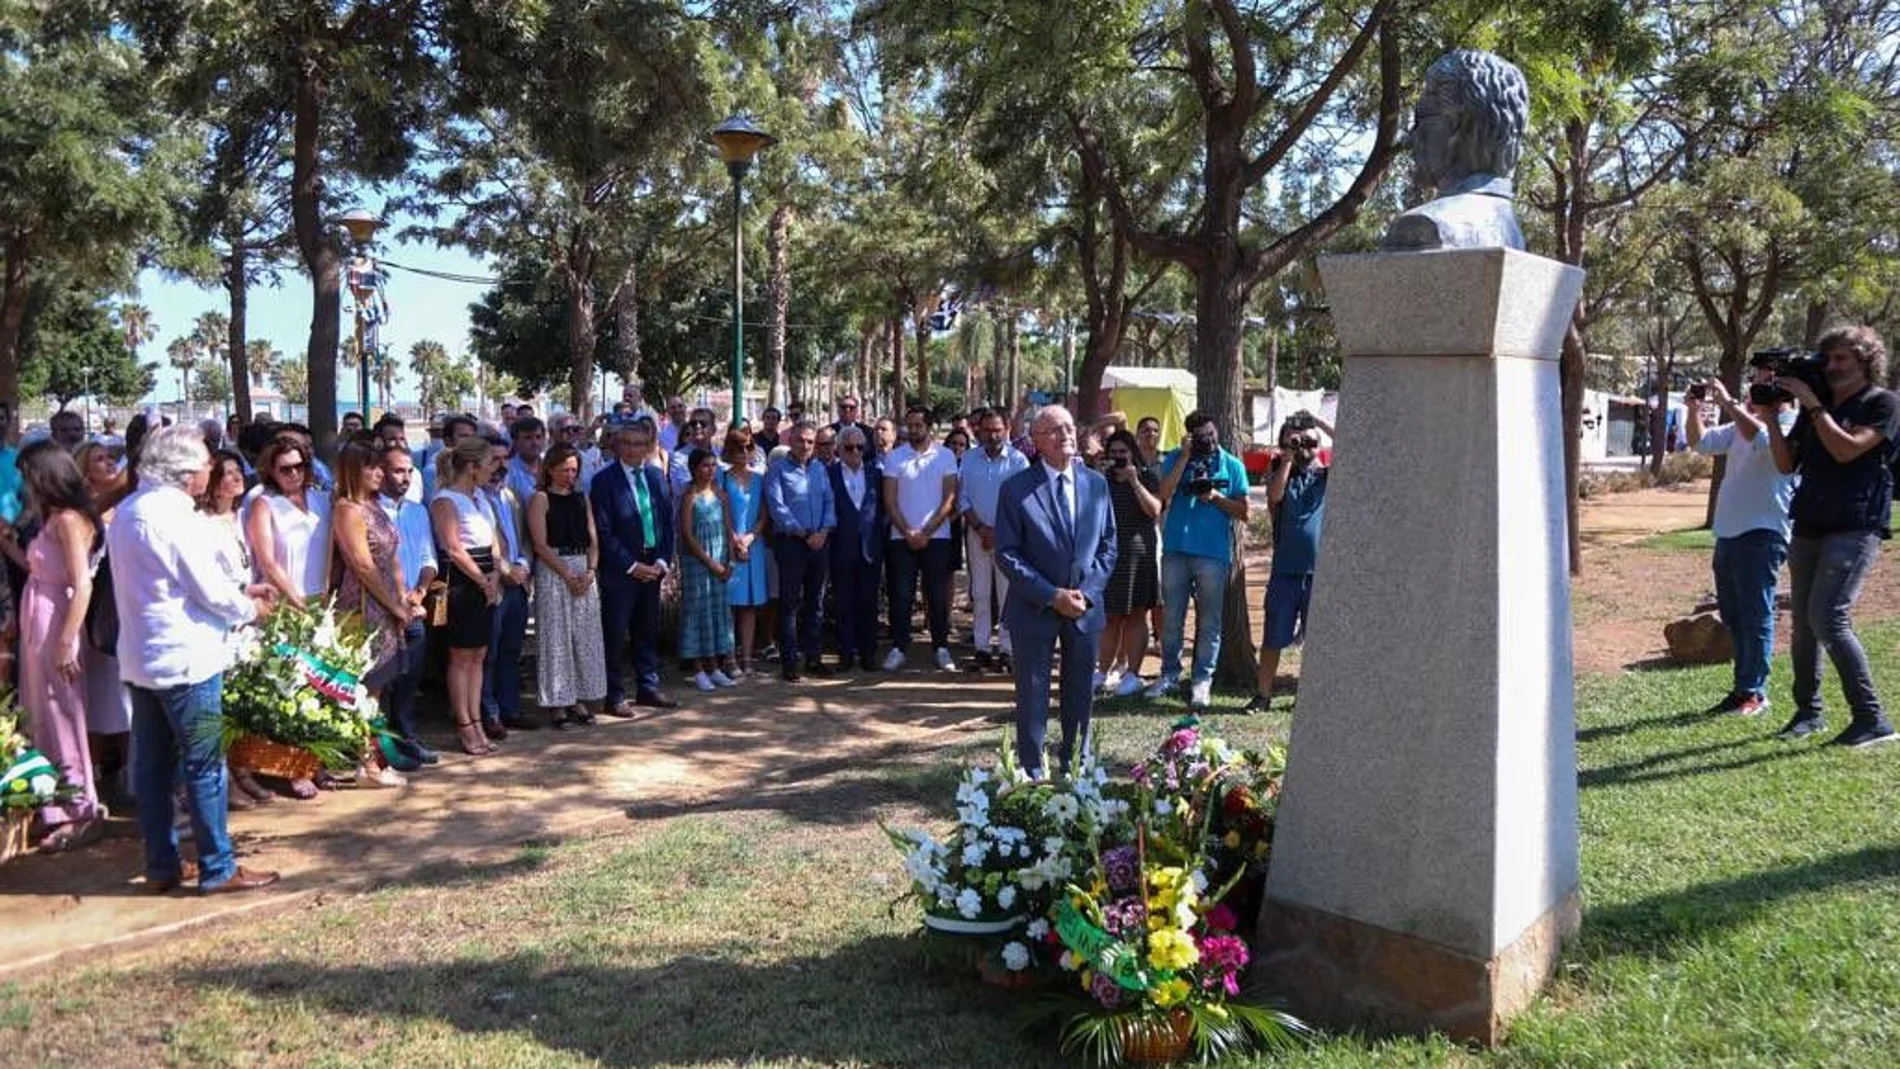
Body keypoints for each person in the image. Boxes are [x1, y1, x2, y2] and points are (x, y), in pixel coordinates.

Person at [108, 424, 279, 894]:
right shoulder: (174, 517)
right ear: (186, 473)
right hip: (186, 658)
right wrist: (249, 607)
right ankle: (217, 867)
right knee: (204, 766)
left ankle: (161, 865)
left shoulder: (129, 510)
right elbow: (205, 588)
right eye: (206, 463)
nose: (211, 469)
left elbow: (171, 583)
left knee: (154, 769)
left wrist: (239, 592)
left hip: (145, 657)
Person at [1765, 325, 1900, 747]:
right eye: (1829, 359)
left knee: (1828, 617)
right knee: (1804, 625)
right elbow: (1786, 466)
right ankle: (1809, 713)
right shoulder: (1812, 411)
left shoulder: (1882, 403)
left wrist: (1814, 405)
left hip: (1855, 525)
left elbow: (1847, 450)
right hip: (1809, 522)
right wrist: (1771, 417)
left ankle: (1872, 720)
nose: (1832, 366)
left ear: (1865, 362)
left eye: (1842, 358)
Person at [995, 405, 1116, 777]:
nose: (1065, 434)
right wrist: (1052, 596)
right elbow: (1007, 553)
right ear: (1036, 442)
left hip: (1084, 608)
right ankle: (1033, 771)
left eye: (1069, 427)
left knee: (1079, 692)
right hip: (1034, 608)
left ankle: (1076, 766)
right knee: (1032, 695)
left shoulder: (1096, 483)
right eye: (1054, 430)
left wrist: (1087, 593)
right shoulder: (1016, 488)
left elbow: (1109, 545)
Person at [1685, 366, 1798, 718]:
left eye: (1767, 381)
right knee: (1735, 616)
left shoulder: (1792, 422)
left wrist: (1730, 402)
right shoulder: (1740, 424)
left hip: (1763, 533)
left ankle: (1754, 693)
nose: (1758, 385)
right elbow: (1699, 443)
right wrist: (1693, 410)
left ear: (1784, 392)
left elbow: (1764, 440)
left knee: (1756, 614)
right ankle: (1742, 690)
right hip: (1729, 533)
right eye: (1757, 379)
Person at [11, 447, 105, 851]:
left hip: (57, 622)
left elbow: (81, 583)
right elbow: (38, 568)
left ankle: (79, 808)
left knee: (62, 713)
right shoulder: (50, 517)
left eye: (26, 476)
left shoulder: (69, 520)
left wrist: (67, 639)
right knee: (41, 714)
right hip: (38, 615)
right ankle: (52, 805)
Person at [1145, 411, 1250, 708]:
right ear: (1190, 436)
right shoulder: (1177, 457)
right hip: (1176, 549)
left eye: (1211, 434)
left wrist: (1215, 496)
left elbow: (1245, 512)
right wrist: (1184, 457)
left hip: (1213, 554)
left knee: (1210, 621)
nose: (1209, 441)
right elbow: (1163, 495)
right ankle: (1169, 674)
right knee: (1172, 619)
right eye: (1202, 436)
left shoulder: (1232, 465)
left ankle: (1202, 680)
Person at [1381, 49, 1529, 252]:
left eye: (1421, 121)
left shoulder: (1422, 226)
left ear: (1463, 126)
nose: (1409, 139)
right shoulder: (1512, 231)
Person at [330, 442, 413, 787]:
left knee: (380, 686)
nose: (380, 473)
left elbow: (393, 555)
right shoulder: (348, 509)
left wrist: (402, 597)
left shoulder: (375, 506)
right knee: (368, 686)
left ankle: (375, 757)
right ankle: (368, 763)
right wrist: (392, 604)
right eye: (372, 468)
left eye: (381, 467)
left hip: (389, 603)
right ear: (354, 470)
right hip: (365, 604)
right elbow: (362, 565)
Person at [1246, 413, 1335, 713]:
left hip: (1319, 574)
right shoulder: (1278, 472)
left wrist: (1319, 425)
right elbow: (1274, 497)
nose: (1304, 447)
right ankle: (1263, 695)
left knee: (1317, 642)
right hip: (1285, 571)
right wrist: (1286, 457)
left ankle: (1307, 697)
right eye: (1297, 441)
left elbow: (1354, 449)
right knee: (1273, 637)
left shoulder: (1326, 476)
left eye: (1311, 443)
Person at [594, 423, 678, 713]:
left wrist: (662, 561)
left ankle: (648, 687)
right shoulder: (604, 480)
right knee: (616, 633)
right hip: (622, 571)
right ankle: (614, 694)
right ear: (617, 446)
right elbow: (603, 532)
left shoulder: (656, 476)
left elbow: (668, 523)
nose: (633, 449)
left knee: (647, 630)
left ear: (648, 447)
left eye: (639, 443)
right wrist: (631, 566)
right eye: (627, 443)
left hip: (653, 567)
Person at [430, 436, 504, 756]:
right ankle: (464, 723)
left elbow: (495, 540)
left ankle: (477, 719)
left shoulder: (481, 499)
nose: (494, 470)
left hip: (486, 577)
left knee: (478, 655)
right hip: (461, 583)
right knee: (461, 656)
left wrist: (496, 574)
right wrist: (482, 581)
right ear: (472, 467)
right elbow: (453, 548)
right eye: (489, 464)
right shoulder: (445, 500)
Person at [526, 443, 607, 727]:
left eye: (573, 470)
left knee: (583, 636)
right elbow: (540, 543)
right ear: (549, 469)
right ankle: (558, 703)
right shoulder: (540, 499)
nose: (569, 475)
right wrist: (566, 574)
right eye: (563, 470)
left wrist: (590, 570)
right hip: (554, 571)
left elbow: (593, 538)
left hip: (583, 568)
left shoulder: (581, 499)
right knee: (556, 637)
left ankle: (579, 698)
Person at [374, 443, 440, 763]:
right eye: (397, 470)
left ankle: (406, 737)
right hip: (381, 608)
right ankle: (378, 745)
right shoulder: (369, 511)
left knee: (409, 678)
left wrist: (420, 592)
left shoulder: (417, 511)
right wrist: (394, 601)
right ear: (380, 471)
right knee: (380, 682)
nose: (404, 477)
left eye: (409, 471)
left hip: (414, 607)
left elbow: (429, 558)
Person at [881, 407, 960, 671]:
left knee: (937, 596)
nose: (913, 430)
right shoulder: (895, 457)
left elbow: (950, 498)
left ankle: (941, 646)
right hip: (900, 537)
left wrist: (926, 532)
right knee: (901, 595)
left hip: (936, 538)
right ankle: (899, 647)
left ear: (930, 427)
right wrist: (907, 532)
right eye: (910, 425)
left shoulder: (946, 456)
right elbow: (890, 500)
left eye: (918, 425)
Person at [957, 408, 1029, 672]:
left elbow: (1022, 501)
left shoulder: (1018, 460)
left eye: (997, 430)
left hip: (1008, 537)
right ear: (980, 431)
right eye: (987, 430)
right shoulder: (968, 459)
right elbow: (962, 497)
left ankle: (1008, 649)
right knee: (981, 593)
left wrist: (999, 532)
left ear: (1006, 430)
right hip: (977, 535)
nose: (993, 435)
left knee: (1008, 593)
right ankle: (982, 648)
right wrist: (980, 528)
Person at [765, 421, 836, 680]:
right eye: (800, 441)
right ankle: (790, 662)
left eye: (810, 441)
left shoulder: (820, 469)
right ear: (791, 441)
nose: (805, 446)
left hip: (820, 542)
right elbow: (777, 507)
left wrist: (824, 532)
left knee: (815, 603)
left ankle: (814, 659)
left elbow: (829, 502)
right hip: (792, 543)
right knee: (790, 603)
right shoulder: (778, 469)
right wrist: (803, 533)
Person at [1097, 429, 1162, 697]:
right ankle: (1103, 671)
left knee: (1137, 614)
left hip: (1139, 553)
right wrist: (1101, 474)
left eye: (1123, 453)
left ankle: (1133, 674)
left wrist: (1134, 481)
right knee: (1110, 616)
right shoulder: (1101, 480)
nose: (1119, 458)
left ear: (1132, 453)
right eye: (1114, 454)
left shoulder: (1146, 476)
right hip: (1110, 555)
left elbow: (1155, 510)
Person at [481, 435, 539, 735]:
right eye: (494, 459)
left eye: (505, 459)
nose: (500, 466)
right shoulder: (473, 498)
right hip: (491, 587)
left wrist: (522, 566)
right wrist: (504, 569)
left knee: (510, 651)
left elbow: (526, 540)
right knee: (487, 654)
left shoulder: (512, 496)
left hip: (517, 585)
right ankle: (488, 714)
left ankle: (510, 708)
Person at [245, 435, 333, 611]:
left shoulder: (323, 500)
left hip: (323, 601)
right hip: (284, 603)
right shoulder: (264, 504)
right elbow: (267, 563)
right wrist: (297, 603)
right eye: (285, 469)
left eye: (299, 466)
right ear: (271, 471)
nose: (294, 473)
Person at [678, 448, 738, 691]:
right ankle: (699, 669)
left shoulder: (721, 495)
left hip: (721, 558)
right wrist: (709, 562)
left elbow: (728, 527)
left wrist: (730, 560)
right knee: (697, 613)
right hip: (697, 563)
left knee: (716, 613)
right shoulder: (689, 496)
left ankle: (714, 667)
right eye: (705, 465)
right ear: (694, 469)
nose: (710, 470)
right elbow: (688, 534)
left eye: (714, 465)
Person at [828, 425, 885, 671]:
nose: (854, 452)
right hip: (842, 547)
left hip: (870, 548)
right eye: (849, 447)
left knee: (869, 604)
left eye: (859, 447)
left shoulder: (876, 473)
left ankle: (868, 653)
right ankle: (846, 653)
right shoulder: (829, 474)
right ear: (839, 448)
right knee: (844, 603)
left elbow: (884, 508)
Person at [719, 429, 769, 676]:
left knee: (749, 605)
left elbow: (763, 514)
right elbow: (722, 512)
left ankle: (747, 658)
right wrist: (735, 540)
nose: (744, 453)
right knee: (729, 604)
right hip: (729, 546)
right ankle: (729, 658)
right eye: (739, 448)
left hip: (753, 546)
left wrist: (750, 538)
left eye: (748, 447)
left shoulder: (760, 479)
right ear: (729, 450)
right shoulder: (722, 477)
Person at [505, 416, 546, 507]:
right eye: (528, 438)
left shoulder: (550, 466)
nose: (535, 443)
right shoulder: (508, 471)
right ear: (515, 442)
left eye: (538, 437)